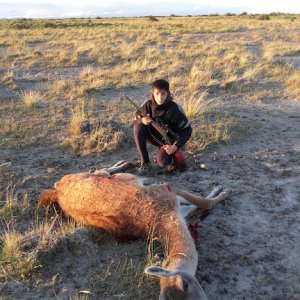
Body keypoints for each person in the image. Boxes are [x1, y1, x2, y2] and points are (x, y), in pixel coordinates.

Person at [133, 79, 192, 174]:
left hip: (170, 143)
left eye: (163, 93)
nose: (160, 97)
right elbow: (137, 116)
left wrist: (175, 146)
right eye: (157, 94)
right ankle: (145, 163)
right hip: (155, 137)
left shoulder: (175, 109)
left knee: (162, 163)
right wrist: (142, 120)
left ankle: (169, 159)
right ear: (153, 93)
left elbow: (187, 130)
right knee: (138, 126)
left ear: (168, 93)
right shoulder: (148, 105)